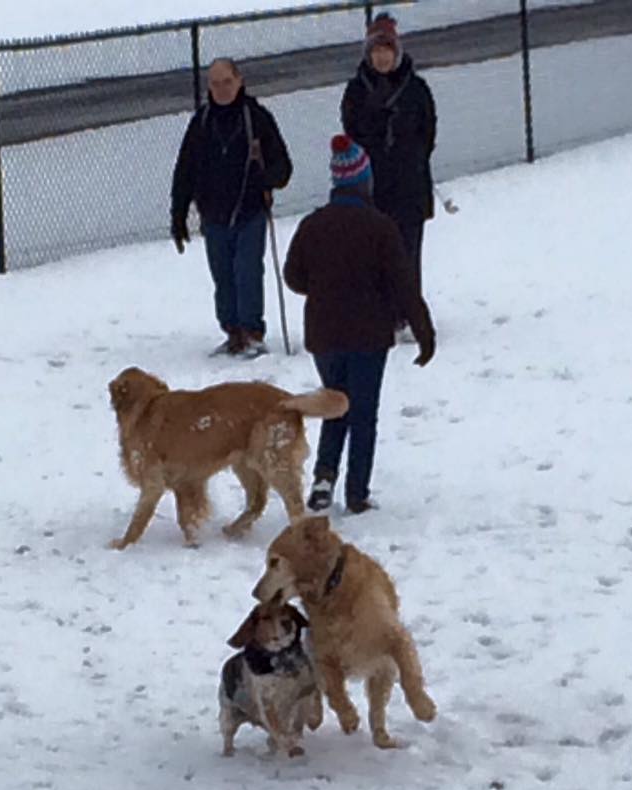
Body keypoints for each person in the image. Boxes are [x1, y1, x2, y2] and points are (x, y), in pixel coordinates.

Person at [283, 134, 435, 515]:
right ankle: (357, 492)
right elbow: (403, 284)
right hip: (369, 335)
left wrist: (321, 287)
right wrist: (423, 330)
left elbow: (293, 277)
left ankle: (323, 477)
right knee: (363, 413)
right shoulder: (380, 226)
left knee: (336, 404)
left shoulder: (313, 224)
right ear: (364, 181)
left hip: (324, 334)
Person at [171, 58, 293, 359]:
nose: (221, 89)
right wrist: (178, 214)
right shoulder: (201, 122)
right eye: (215, 83)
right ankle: (233, 332)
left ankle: (252, 331)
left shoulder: (257, 117)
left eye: (227, 82)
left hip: (250, 211)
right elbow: (184, 170)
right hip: (213, 214)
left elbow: (283, 166)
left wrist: (264, 180)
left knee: (247, 270)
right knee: (222, 275)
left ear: (239, 81)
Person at [340, 13, 436, 300]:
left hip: (409, 184)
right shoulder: (357, 91)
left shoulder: (416, 88)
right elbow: (351, 131)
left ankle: (407, 309)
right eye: (376, 51)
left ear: (396, 52)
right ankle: (381, 309)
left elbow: (427, 131)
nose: (382, 58)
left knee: (408, 250)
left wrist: (413, 158)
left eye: (387, 51)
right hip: (371, 185)